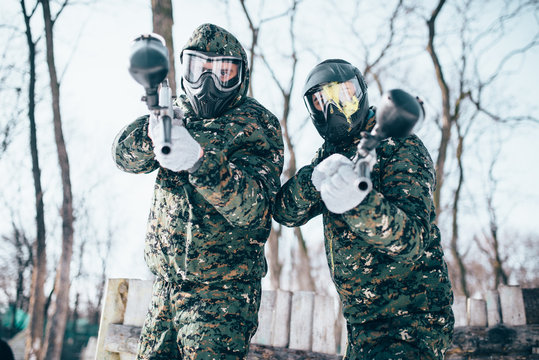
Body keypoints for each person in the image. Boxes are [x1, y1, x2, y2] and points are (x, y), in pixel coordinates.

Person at [113, 23, 284, 359]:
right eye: (199, 69)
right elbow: (122, 156)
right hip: (164, 289)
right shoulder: (176, 112)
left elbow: (256, 209)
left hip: (221, 297)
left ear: (240, 75)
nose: (209, 83)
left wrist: (200, 162)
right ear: (183, 70)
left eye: (223, 71)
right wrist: (152, 134)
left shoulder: (256, 125)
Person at [273, 59, 454, 359]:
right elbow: (285, 212)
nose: (333, 108)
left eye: (342, 94)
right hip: (362, 325)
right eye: (321, 101)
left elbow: (412, 241)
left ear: (361, 93)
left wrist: (359, 203)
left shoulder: (399, 146)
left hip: (411, 320)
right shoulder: (330, 154)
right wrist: (313, 179)